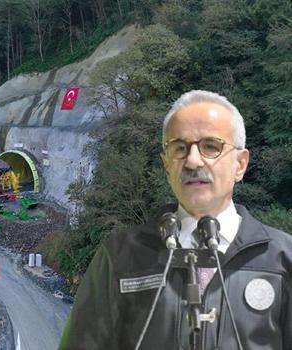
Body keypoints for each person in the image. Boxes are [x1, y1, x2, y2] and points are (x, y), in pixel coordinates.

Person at [59, 90, 292, 349]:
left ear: (240, 164)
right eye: (180, 149)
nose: (192, 161)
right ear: (167, 164)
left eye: (211, 147)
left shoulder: (282, 259)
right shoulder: (120, 256)